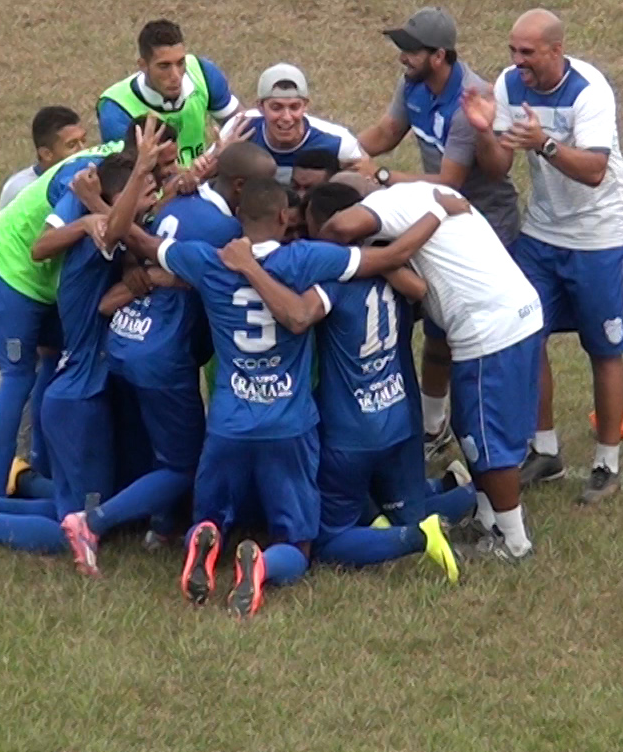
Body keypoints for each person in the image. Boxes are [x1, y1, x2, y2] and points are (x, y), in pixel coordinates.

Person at [127, 178, 445, 615]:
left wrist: (114, 201)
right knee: (299, 543)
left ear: (239, 216)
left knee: (210, 515)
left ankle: (205, 539)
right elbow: (391, 257)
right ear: (283, 216)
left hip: (229, 422)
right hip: (288, 425)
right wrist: (440, 209)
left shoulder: (207, 260)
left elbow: (139, 240)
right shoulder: (306, 259)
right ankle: (263, 565)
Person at [0, 130, 173, 556]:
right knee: (86, 525)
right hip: (80, 397)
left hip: (72, 392)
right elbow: (109, 230)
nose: (157, 194)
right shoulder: (97, 233)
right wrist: (121, 189)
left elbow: (114, 277)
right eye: (147, 189)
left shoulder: (104, 232)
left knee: (83, 503)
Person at [57, 143, 279, 573]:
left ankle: (159, 527)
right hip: (164, 354)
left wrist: (141, 274)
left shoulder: (179, 201)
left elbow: (142, 246)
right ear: (239, 187)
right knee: (184, 462)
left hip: (126, 335)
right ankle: (93, 522)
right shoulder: (224, 229)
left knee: (152, 442)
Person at [319, 178, 545, 562]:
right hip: (514, 314)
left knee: (486, 441)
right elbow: (418, 287)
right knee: (471, 429)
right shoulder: (420, 195)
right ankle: (487, 520)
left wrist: (334, 247)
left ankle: (514, 542)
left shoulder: (385, 208)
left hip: (488, 330)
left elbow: (339, 228)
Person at [463, 8, 623, 505]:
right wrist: (484, 131)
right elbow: (498, 167)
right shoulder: (508, 85)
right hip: (541, 232)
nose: (518, 62)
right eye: (513, 51)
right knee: (528, 335)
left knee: (604, 347)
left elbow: (595, 170)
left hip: (598, 237)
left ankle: (606, 462)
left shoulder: (589, 91)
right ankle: (545, 450)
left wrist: (545, 144)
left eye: (528, 53)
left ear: (556, 50)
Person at [358, 7, 524, 462]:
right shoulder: (413, 84)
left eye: (411, 51)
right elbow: (387, 131)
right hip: (441, 221)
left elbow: (450, 180)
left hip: (486, 228)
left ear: (439, 56)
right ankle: (434, 426)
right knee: (436, 330)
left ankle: (503, 431)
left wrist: (382, 176)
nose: (402, 57)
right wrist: (341, 152)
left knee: (478, 337)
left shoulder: (470, 100)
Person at [97, 19, 240, 164]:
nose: (176, 76)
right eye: (164, 66)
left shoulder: (202, 72)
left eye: (180, 63)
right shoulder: (116, 108)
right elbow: (129, 174)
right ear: (143, 65)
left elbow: (243, 123)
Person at [225, 64, 366, 184]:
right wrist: (222, 157)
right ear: (260, 107)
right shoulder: (239, 129)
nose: (286, 117)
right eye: (276, 107)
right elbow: (212, 186)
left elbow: (368, 190)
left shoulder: (338, 142)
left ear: (305, 106)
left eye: (294, 107)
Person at [0, 106, 88, 213]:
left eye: (83, 140)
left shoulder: (90, 174)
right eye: (71, 145)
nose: (83, 150)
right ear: (46, 154)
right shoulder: (20, 190)